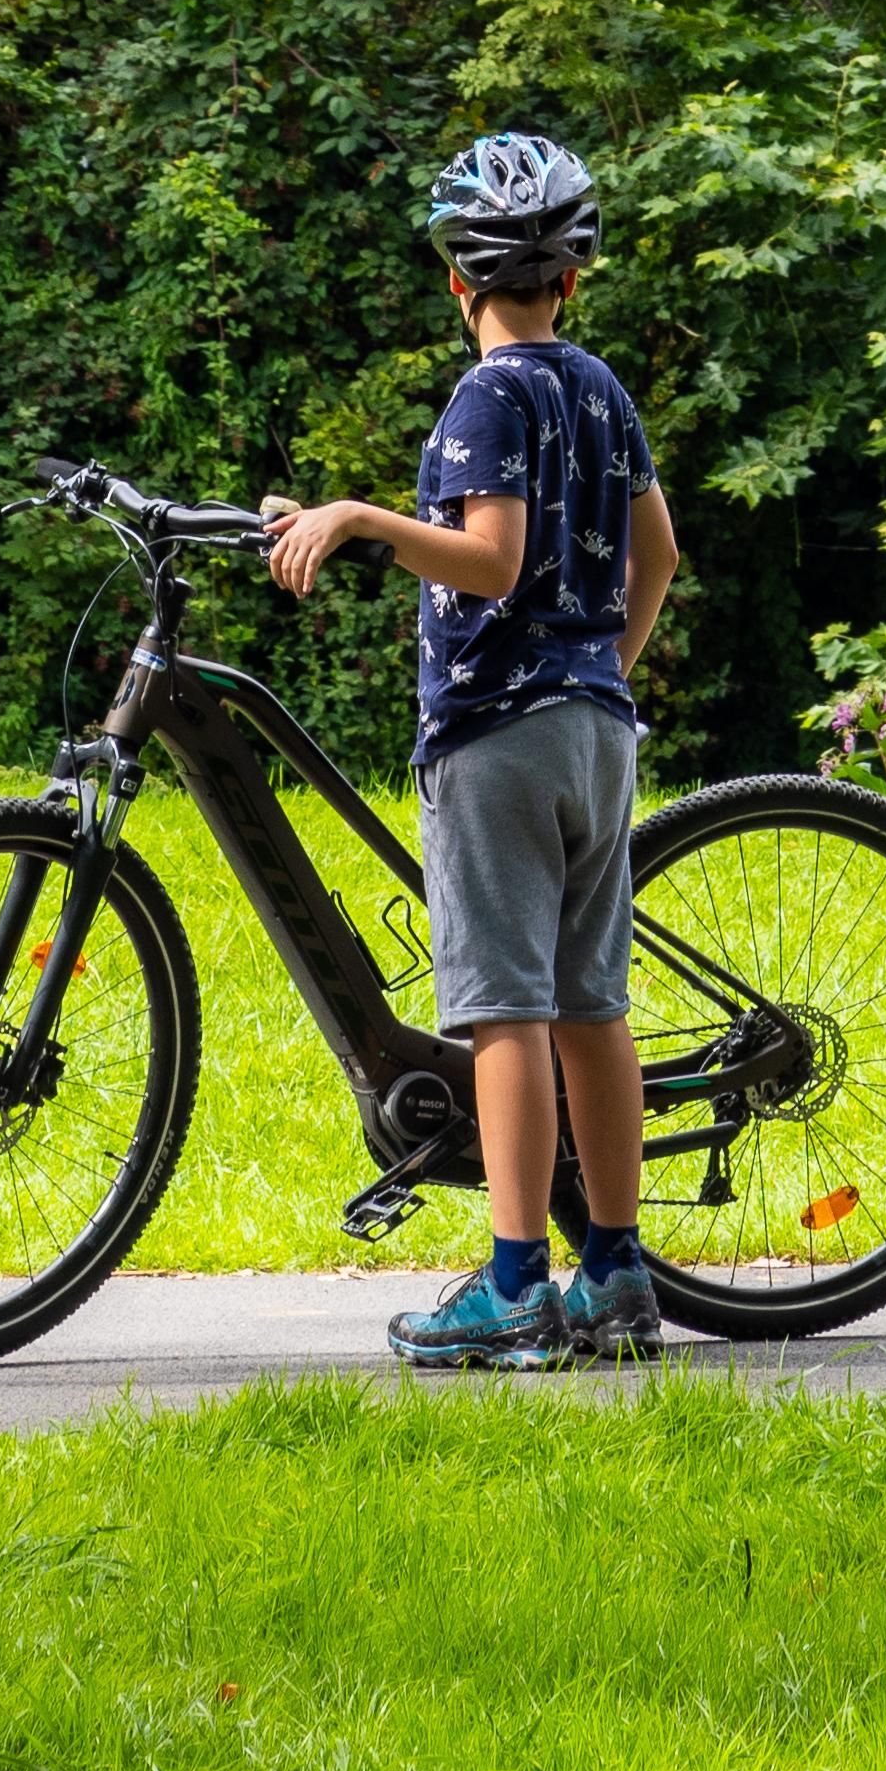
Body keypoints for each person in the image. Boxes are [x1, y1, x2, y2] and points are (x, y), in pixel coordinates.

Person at [266, 127, 678, 1371]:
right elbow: (656, 554)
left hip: (496, 736)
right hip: (597, 734)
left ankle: (513, 1286)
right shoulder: (600, 386)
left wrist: (359, 518)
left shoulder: (485, 395)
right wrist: (605, 664)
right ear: (572, 280)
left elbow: (489, 559)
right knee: (591, 1006)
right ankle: (616, 1269)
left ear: (461, 282)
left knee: (504, 1011)